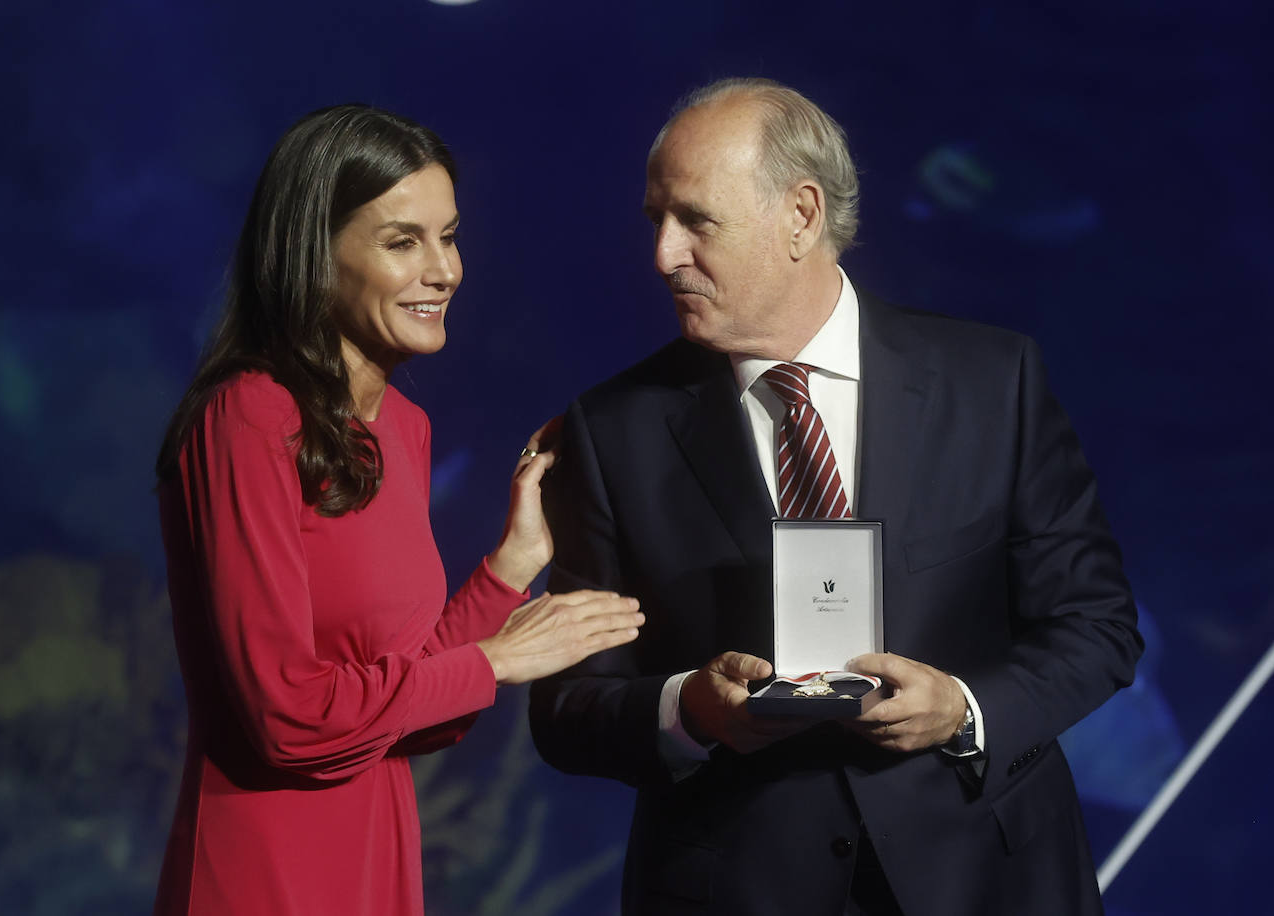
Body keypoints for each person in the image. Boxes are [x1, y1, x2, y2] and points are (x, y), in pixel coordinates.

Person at [528, 78, 1143, 916]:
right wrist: (689, 710)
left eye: (696, 221)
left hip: (986, 880)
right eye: (657, 222)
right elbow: (565, 708)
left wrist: (963, 712)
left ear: (802, 216)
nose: (664, 254)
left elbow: (1098, 628)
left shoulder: (992, 382)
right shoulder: (610, 431)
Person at [151, 104, 644, 916]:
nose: (444, 270)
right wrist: (497, 660)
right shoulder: (248, 417)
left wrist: (512, 566)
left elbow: (416, 709)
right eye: (402, 242)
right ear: (316, 253)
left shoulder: (404, 429)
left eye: (448, 237)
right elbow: (288, 718)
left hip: (377, 857)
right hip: (264, 868)